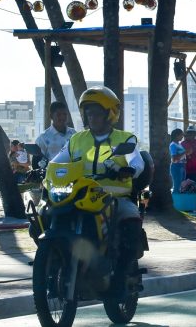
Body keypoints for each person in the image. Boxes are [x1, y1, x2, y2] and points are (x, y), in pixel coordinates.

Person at [51, 86, 145, 300]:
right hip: (82, 196)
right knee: (46, 215)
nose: (92, 117)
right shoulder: (77, 139)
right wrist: (42, 169)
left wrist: (129, 169)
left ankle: (120, 277)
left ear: (109, 114)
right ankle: (52, 263)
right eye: (89, 113)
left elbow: (136, 160)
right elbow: (58, 161)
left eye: (97, 113)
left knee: (131, 220)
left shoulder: (125, 138)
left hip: (115, 197)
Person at [169, 128, 186, 193]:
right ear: (176, 135)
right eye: (181, 135)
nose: (182, 136)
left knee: (181, 186)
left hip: (182, 166)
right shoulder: (173, 145)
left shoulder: (179, 144)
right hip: (177, 166)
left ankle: (179, 201)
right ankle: (175, 201)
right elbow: (174, 159)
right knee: (177, 186)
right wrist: (185, 152)